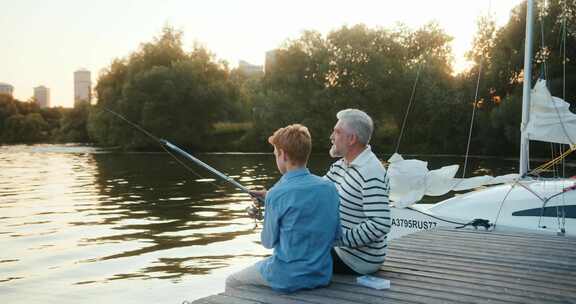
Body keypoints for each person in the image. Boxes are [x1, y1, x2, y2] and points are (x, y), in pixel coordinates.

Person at [226, 124, 341, 293]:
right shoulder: (329, 188)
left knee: (233, 281)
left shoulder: (276, 194)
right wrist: (270, 201)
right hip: (321, 275)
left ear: (283, 155)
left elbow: (268, 242)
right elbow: (337, 235)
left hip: (287, 277)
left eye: (275, 154)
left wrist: (269, 208)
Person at [325, 109, 391, 275]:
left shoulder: (371, 172)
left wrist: (339, 240)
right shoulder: (342, 165)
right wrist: (272, 196)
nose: (331, 137)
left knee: (294, 256)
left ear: (352, 139)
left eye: (337, 132)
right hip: (340, 250)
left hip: (357, 260)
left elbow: (380, 223)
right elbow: (314, 193)